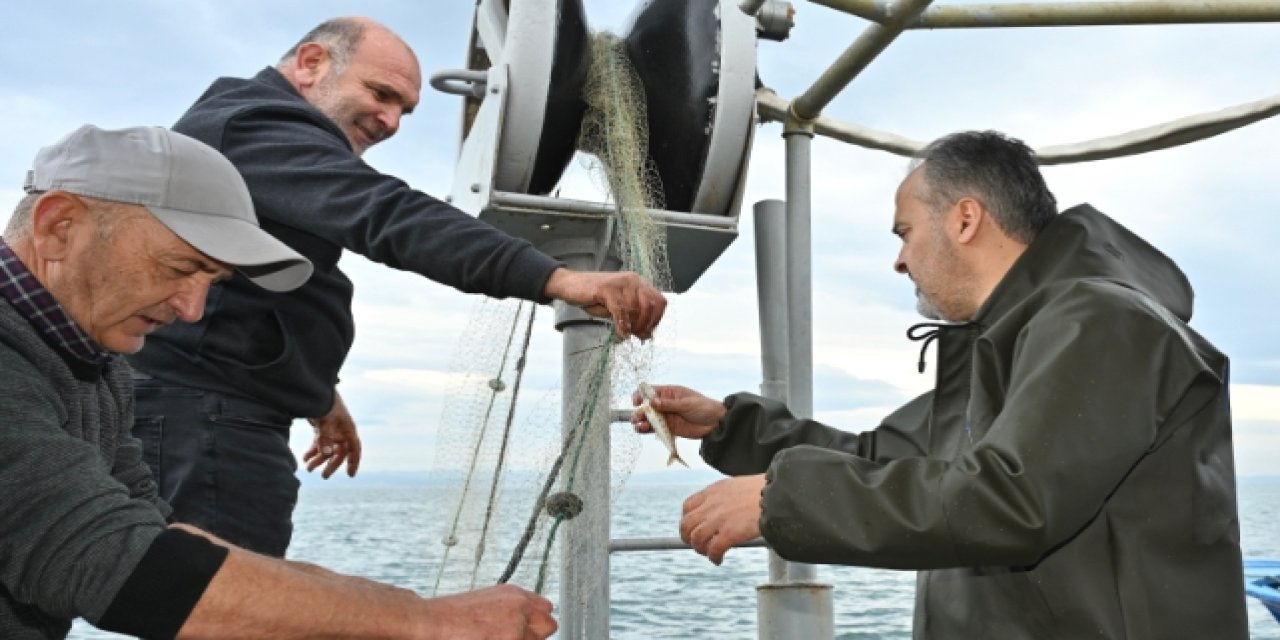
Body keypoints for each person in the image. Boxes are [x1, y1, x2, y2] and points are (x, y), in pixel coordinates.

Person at [634, 131, 1247, 638]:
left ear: (966, 219)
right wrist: (731, 426)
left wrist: (782, 500)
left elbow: (1011, 500)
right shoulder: (1016, 342)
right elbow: (879, 458)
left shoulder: (1103, 322)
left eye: (904, 232)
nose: (899, 260)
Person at [128, 16, 668, 557]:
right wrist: (559, 278)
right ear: (311, 63)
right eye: (380, 94)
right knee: (221, 596)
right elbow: (387, 215)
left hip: (211, 406)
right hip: (202, 414)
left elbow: (262, 290)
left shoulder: (255, 145)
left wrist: (319, 395)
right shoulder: (253, 126)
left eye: (404, 111)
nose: (390, 122)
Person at [0, 123, 556, 640]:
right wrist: (426, 622)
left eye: (212, 281)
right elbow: (108, 562)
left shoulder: (98, 367)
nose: (192, 310)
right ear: (58, 227)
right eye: (179, 267)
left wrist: (412, 606)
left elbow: (157, 533)